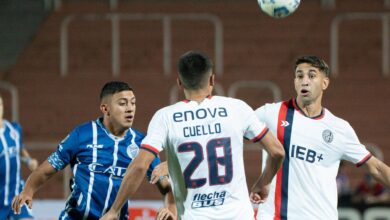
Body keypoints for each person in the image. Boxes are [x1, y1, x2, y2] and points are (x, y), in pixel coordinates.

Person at [101, 50, 285, 220]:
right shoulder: (237, 108)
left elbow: (140, 166)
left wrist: (114, 210)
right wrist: (264, 183)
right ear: (212, 80)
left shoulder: (165, 116)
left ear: (179, 82)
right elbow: (277, 151)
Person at [250, 55, 390, 220]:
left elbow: (376, 167)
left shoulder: (339, 129)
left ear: (325, 83)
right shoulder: (270, 114)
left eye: (312, 75)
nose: (304, 81)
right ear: (295, 81)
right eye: (299, 75)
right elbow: (232, 130)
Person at [11, 81, 176, 220]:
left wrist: (171, 210)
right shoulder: (82, 135)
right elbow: (49, 168)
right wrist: (28, 190)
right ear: (105, 109)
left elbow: (166, 187)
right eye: (122, 103)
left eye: (133, 102)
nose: (130, 108)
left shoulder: (142, 144)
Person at [0, 94, 39, 220]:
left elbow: (20, 150)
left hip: (18, 194)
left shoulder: (15, 129)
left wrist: (28, 160)